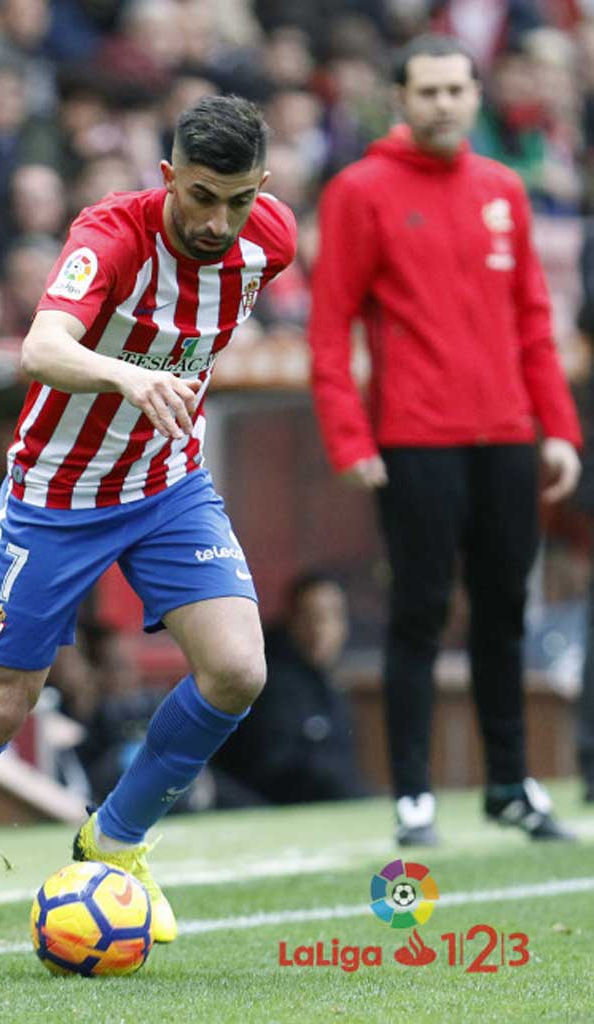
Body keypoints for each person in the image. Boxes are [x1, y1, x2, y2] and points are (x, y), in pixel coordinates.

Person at [0, 94, 296, 978]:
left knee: (239, 669)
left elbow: (203, 322)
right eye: (199, 196)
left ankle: (114, 841)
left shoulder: (269, 240)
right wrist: (128, 379)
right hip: (56, 493)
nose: (217, 220)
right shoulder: (111, 234)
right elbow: (41, 348)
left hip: (167, 484)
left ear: (262, 190)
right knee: (0, 705)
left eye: (236, 200)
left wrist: (158, 393)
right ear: (166, 177)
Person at [308, 35, 581, 847]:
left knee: (503, 613)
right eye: (425, 91)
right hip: (414, 437)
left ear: (474, 96)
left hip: (505, 434)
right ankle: (414, 797)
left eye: (454, 89)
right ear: (399, 99)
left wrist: (557, 428)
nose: (441, 104)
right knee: (419, 612)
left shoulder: (503, 189)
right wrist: (347, 435)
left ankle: (509, 785)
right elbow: (329, 329)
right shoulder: (360, 190)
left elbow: (533, 320)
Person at [214, 572, 369, 805]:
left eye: (331, 617)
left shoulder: (332, 685)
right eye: (311, 617)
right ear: (291, 621)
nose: (320, 629)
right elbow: (273, 769)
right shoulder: (264, 679)